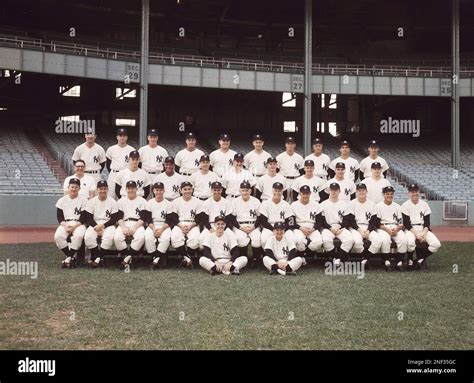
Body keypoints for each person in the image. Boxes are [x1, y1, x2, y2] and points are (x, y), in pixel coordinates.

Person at [402, 184, 441, 271]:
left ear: (419, 192)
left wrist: (423, 233)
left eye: (416, 191)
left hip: (423, 229)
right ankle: (410, 260)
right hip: (411, 230)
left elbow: (427, 222)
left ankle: (420, 259)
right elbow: (407, 224)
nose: (414, 193)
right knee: (410, 243)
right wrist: (417, 235)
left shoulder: (424, 204)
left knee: (436, 244)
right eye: (412, 192)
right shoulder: (405, 205)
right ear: (409, 193)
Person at [342, 183, 381, 268]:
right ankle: (365, 258)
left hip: (368, 227)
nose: (361, 192)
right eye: (359, 190)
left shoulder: (372, 204)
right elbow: (351, 221)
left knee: (378, 241)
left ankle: (365, 259)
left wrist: (368, 230)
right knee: (357, 242)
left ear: (366, 191)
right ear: (356, 192)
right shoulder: (352, 203)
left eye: (363, 190)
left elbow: (373, 221)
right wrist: (359, 230)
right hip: (356, 228)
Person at [83, 180, 118, 268]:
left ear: (107, 189)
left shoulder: (112, 201)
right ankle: (100, 258)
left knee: (108, 238)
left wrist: (102, 226)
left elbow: (114, 219)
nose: (102, 191)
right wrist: (96, 227)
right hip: (94, 223)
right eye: (100, 189)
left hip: (108, 224)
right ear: (97, 190)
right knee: (88, 237)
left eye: (104, 189)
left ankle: (97, 258)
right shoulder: (91, 201)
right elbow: (88, 218)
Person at [54, 178, 88, 268]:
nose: (74, 189)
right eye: (72, 187)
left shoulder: (84, 200)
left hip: (79, 224)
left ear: (79, 188)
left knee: (79, 236)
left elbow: (84, 217)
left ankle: (68, 258)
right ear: (68, 187)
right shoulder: (62, 200)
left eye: (76, 187)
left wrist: (74, 226)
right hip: (65, 223)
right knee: (58, 237)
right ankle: (71, 257)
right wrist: (65, 225)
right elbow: (59, 217)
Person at [114, 181, 147, 270]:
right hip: (124, 223)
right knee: (117, 238)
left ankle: (126, 258)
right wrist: (124, 228)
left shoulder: (142, 200)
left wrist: (134, 228)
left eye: (133, 188)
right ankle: (129, 257)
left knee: (140, 237)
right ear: (126, 189)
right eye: (129, 188)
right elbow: (119, 217)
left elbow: (143, 218)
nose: (131, 190)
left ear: (136, 189)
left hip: (138, 223)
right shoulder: (121, 201)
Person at [319, 182, 354, 266]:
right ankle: (335, 257)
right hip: (328, 228)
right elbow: (321, 221)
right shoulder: (323, 204)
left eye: (335, 190)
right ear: (329, 191)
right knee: (326, 240)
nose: (333, 192)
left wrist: (340, 226)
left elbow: (348, 220)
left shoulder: (344, 204)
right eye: (332, 190)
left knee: (349, 240)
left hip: (341, 227)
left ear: (339, 191)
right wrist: (330, 228)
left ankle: (338, 258)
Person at [227, 181, 262, 264]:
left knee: (257, 240)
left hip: (253, 225)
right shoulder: (235, 201)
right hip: (240, 226)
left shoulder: (256, 201)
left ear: (250, 191)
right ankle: (244, 258)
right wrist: (240, 228)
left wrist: (254, 227)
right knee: (241, 240)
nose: (245, 192)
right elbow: (232, 218)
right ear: (240, 191)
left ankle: (254, 259)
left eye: (247, 190)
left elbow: (260, 217)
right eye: (243, 190)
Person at [169, 181, 202, 268]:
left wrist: (190, 227)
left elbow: (199, 218)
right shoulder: (176, 201)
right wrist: (181, 226)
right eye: (185, 189)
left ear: (192, 190)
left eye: (189, 189)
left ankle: (185, 258)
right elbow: (174, 217)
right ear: (180, 190)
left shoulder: (198, 202)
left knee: (195, 240)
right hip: (180, 224)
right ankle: (187, 258)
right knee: (175, 237)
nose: (187, 191)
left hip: (193, 224)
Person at [375, 186, 407, 272]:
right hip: (383, 227)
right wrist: (387, 230)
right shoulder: (378, 206)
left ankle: (399, 261)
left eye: (391, 194)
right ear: (383, 194)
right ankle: (386, 261)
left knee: (403, 239)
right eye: (387, 194)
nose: (389, 195)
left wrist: (396, 229)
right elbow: (377, 223)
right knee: (385, 240)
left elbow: (401, 223)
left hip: (395, 227)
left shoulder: (397, 206)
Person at [143, 182, 173, 270]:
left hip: (165, 225)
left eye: (161, 190)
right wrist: (154, 229)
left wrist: (161, 230)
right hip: (152, 225)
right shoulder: (149, 203)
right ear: (153, 191)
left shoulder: (168, 203)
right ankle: (157, 258)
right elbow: (148, 219)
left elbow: (169, 220)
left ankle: (155, 261)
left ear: (164, 191)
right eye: (157, 190)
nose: (159, 192)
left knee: (165, 238)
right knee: (148, 238)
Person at [289, 185, 324, 258]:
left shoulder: (316, 204)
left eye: (307, 193)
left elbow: (319, 221)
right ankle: (302, 257)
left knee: (318, 242)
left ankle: (305, 255)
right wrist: (301, 228)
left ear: (310, 193)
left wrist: (313, 229)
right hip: (299, 227)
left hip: (312, 227)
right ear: (300, 194)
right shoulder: (294, 205)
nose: (305, 195)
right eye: (303, 193)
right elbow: (291, 222)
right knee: (299, 240)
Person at [197, 181, 233, 250]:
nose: (217, 192)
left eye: (218, 190)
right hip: (211, 226)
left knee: (233, 237)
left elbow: (228, 219)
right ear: (211, 190)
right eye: (215, 190)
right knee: (201, 239)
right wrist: (210, 229)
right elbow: (205, 219)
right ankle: (206, 255)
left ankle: (227, 255)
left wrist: (223, 229)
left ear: (221, 190)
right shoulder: (206, 203)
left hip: (223, 225)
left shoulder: (226, 202)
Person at [258, 182, 294, 247]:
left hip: (283, 227)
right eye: (275, 190)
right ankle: (267, 254)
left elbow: (290, 221)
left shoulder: (286, 204)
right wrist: (273, 229)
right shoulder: (266, 204)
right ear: (272, 190)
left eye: (279, 191)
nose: (277, 192)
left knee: (292, 238)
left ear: (282, 191)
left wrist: (282, 229)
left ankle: (287, 254)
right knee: (264, 239)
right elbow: (263, 221)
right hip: (269, 227)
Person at [105, 127, 135, 198]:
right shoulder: (111, 149)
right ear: (117, 137)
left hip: (126, 174)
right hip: (114, 173)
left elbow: (135, 164)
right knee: (111, 196)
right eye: (120, 135)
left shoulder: (131, 150)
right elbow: (108, 164)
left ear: (127, 137)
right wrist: (114, 172)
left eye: (124, 135)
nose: (122, 137)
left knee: (125, 196)